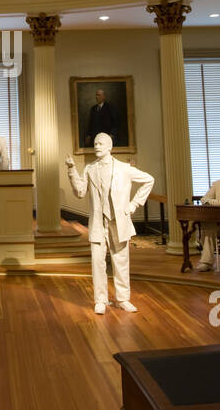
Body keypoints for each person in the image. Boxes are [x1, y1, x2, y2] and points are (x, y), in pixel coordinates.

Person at [65, 134, 154, 314]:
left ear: (109, 146)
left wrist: (134, 204)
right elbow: (80, 192)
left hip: (118, 221)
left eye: (100, 143)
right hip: (99, 222)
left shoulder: (124, 168)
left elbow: (149, 180)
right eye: (95, 143)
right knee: (97, 262)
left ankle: (122, 299)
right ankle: (100, 299)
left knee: (120, 261)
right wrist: (72, 170)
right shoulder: (90, 169)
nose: (96, 146)